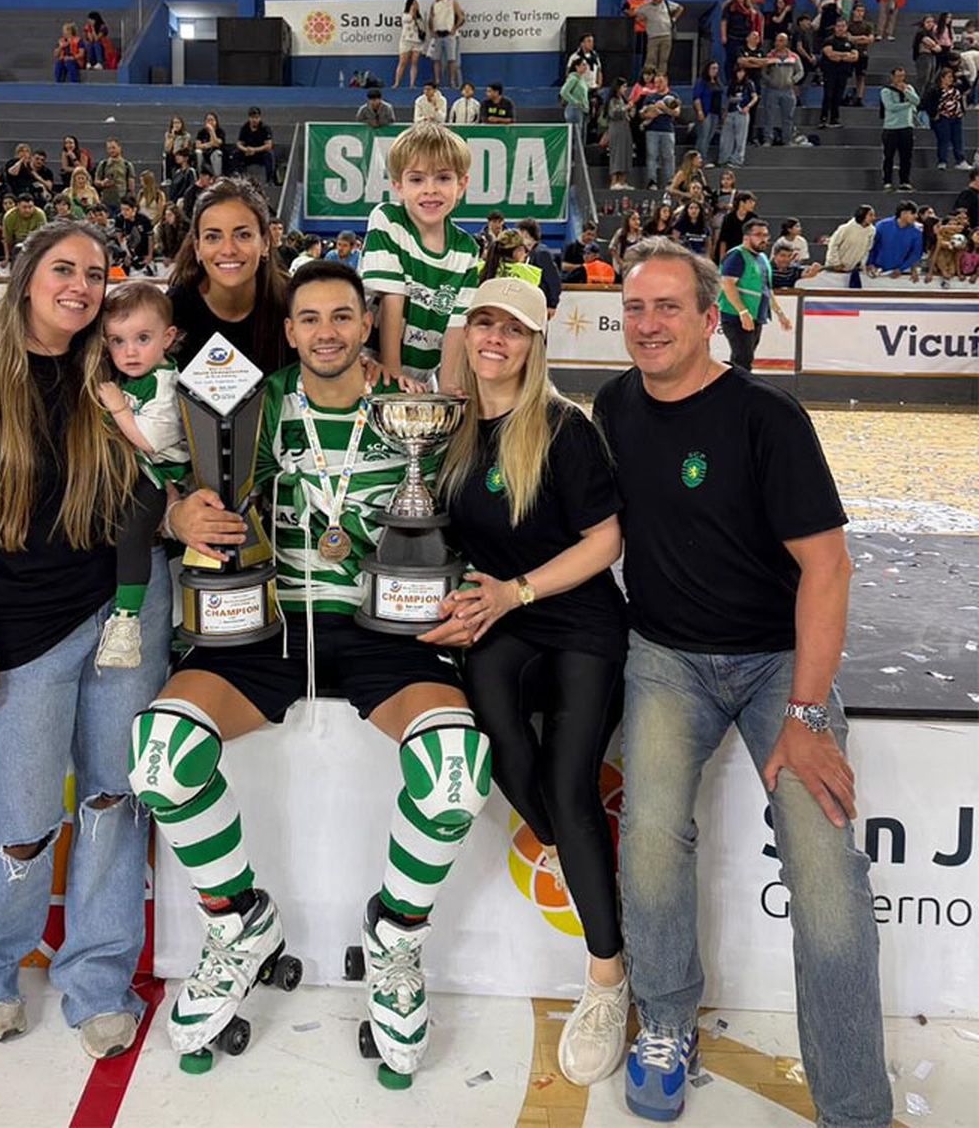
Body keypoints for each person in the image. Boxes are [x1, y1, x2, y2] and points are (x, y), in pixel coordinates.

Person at [133, 258, 492, 1084]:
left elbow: (468, 516)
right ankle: (238, 923)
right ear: (289, 330)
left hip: (382, 629)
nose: (326, 332)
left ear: (367, 324)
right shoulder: (252, 403)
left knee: (455, 771)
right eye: (309, 319)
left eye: (341, 316)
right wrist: (178, 512)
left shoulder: (415, 408)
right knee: (158, 756)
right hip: (268, 623)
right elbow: (171, 474)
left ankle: (395, 940)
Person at [594, 235, 889, 1128]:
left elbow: (828, 568)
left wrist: (805, 712)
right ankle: (666, 1023)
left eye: (667, 307)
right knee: (650, 837)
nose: (648, 325)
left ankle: (853, 1105)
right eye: (635, 309)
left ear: (708, 317)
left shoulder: (768, 419)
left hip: (777, 664)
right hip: (666, 658)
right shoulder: (613, 405)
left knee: (825, 872)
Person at [0, 220, 171, 1061]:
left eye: (96, 274)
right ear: (26, 276)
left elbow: (158, 476)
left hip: (125, 614)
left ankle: (98, 979)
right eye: (65, 268)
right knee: (23, 820)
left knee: (113, 802)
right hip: (22, 632)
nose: (81, 287)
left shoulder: (108, 374)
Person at [424, 276, 628, 1088]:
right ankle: (581, 858)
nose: (494, 339)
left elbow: (606, 541)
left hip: (576, 619)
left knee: (570, 784)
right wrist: (459, 600)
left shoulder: (564, 428)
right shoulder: (452, 429)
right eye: (483, 323)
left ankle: (607, 974)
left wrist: (516, 592)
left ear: (535, 343)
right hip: (502, 619)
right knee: (504, 746)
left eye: (511, 328)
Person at [93, 282, 190, 668]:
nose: (130, 351)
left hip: (160, 477)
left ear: (167, 338)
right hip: (129, 470)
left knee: (132, 531)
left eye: (142, 339)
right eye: (118, 341)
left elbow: (148, 442)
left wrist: (117, 408)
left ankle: (127, 621)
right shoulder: (134, 376)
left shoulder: (165, 383)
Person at [360, 122, 478, 386]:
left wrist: (448, 389)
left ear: (462, 184)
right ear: (398, 186)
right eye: (417, 179)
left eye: (443, 178)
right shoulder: (388, 219)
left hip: (422, 377)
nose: (430, 189)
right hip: (372, 369)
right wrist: (393, 376)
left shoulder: (467, 249)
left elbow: (456, 327)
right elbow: (392, 300)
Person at [166, 176, 289, 375]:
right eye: (213, 237)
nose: (228, 249)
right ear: (197, 247)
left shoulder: (293, 306)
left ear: (265, 243)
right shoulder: (172, 311)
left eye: (243, 235)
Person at [718, 217, 791, 372]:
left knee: (745, 358)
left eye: (765, 235)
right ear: (746, 237)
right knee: (742, 359)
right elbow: (727, 284)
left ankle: (735, 385)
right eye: (758, 235)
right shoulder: (737, 256)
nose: (764, 239)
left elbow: (766, 289)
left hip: (755, 315)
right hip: (736, 316)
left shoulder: (762, 258)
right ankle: (736, 387)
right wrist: (742, 312)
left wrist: (780, 314)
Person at [922, 68, 971, 171]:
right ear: (942, 78)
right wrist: (933, 114)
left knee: (958, 140)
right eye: (949, 77)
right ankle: (942, 161)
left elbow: (967, 86)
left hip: (956, 117)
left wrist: (962, 76)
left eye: (952, 77)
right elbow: (926, 103)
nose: (951, 79)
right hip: (943, 118)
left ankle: (960, 161)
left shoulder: (956, 88)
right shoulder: (935, 90)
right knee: (944, 140)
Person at [880, 67, 920, 191]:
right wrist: (908, 104)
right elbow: (891, 107)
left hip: (906, 127)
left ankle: (904, 181)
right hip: (891, 128)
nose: (900, 79)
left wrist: (906, 92)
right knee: (889, 156)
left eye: (902, 76)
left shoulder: (909, 88)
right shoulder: (886, 91)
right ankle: (887, 181)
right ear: (892, 77)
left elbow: (917, 101)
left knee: (906, 157)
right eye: (898, 76)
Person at [760, 33, 803, 146]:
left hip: (788, 90)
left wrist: (793, 80)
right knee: (769, 115)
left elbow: (800, 71)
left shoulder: (793, 57)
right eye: (776, 40)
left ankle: (787, 140)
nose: (777, 43)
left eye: (780, 41)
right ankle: (768, 139)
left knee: (788, 117)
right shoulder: (770, 56)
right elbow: (763, 72)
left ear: (786, 42)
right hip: (772, 90)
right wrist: (770, 80)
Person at [638, 73, 680, 190]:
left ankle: (670, 181)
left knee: (668, 156)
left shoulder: (673, 96)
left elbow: (676, 112)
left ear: (666, 81)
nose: (658, 85)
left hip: (667, 130)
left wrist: (663, 108)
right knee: (652, 156)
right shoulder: (650, 97)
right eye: (656, 82)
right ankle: (652, 181)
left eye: (660, 82)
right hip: (652, 130)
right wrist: (649, 114)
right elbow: (642, 114)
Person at [866, 200, 922, 282]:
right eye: (913, 213)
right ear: (903, 213)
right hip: (875, 271)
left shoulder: (917, 233)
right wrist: (870, 263)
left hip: (899, 274)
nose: (916, 216)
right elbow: (872, 246)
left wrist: (901, 269)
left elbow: (916, 254)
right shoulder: (882, 226)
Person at [820, 18, 859, 128]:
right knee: (828, 95)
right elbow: (830, 55)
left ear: (846, 28)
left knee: (838, 96)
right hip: (830, 72)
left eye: (843, 26)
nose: (840, 29)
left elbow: (855, 57)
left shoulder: (850, 42)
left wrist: (840, 56)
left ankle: (834, 119)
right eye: (838, 26)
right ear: (835, 28)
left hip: (843, 73)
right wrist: (845, 55)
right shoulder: (829, 40)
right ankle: (823, 118)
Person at [516, 219, 562, 312]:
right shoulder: (529, 253)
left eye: (519, 233)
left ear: (526, 234)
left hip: (540, 302)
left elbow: (553, 281)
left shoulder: (542, 253)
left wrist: (552, 304)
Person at [825, 203, 876, 287]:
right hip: (835, 268)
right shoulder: (845, 228)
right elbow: (833, 245)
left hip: (852, 270)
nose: (873, 218)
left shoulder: (871, 231)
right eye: (870, 215)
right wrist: (836, 263)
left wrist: (862, 264)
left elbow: (867, 248)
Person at [639, 0, 683, 75]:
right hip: (653, 37)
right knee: (651, 59)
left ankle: (660, 77)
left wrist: (673, 19)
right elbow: (637, 15)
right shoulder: (647, 6)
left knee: (663, 59)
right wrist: (643, 20)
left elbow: (680, 8)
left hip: (666, 35)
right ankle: (648, 77)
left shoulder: (667, 4)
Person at [429, 0, 465, 88]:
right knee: (436, 59)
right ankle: (437, 81)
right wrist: (432, 30)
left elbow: (461, 17)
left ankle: (452, 81)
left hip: (449, 34)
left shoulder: (452, 2)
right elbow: (431, 18)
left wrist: (454, 28)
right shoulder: (434, 4)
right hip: (438, 34)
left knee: (451, 59)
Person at [721, 66, 757, 168]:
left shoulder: (749, 83)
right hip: (731, 112)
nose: (740, 74)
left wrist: (748, 107)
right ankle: (724, 158)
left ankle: (737, 160)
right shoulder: (731, 83)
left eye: (742, 72)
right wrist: (725, 112)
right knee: (726, 137)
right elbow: (727, 98)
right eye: (738, 72)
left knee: (740, 137)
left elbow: (754, 97)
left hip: (742, 112)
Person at [691, 62, 722, 166]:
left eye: (716, 68)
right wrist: (700, 111)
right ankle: (700, 159)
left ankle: (702, 156)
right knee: (703, 136)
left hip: (715, 112)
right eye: (713, 68)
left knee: (709, 136)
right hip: (706, 111)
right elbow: (697, 97)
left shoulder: (718, 82)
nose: (715, 71)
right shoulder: (701, 82)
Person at [236, 107, 278, 185]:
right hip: (248, 154)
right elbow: (239, 143)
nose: (254, 120)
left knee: (269, 154)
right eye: (252, 118)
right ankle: (239, 179)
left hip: (260, 153)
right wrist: (245, 149)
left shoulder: (265, 128)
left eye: (256, 118)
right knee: (236, 154)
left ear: (260, 118)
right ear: (249, 118)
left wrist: (254, 150)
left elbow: (269, 145)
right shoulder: (245, 128)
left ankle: (270, 180)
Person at [114, 195, 155, 274]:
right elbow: (120, 238)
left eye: (127, 210)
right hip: (128, 252)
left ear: (134, 209)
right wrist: (126, 254)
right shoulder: (119, 219)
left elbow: (150, 238)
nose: (124, 212)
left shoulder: (144, 220)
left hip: (143, 252)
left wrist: (150, 255)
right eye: (122, 209)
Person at [3, 193, 48, 264]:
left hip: (35, 242)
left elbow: (44, 237)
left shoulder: (40, 214)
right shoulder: (9, 216)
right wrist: (7, 257)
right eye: (24, 207)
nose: (27, 210)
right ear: (18, 206)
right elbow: (7, 239)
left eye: (30, 207)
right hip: (17, 243)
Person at [605, 79, 633, 190]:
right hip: (616, 128)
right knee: (617, 153)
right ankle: (614, 181)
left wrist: (631, 109)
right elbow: (613, 113)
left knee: (625, 153)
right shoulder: (613, 100)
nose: (625, 89)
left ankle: (622, 181)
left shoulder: (623, 99)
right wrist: (626, 107)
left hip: (625, 128)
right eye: (623, 87)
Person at [846, 3, 876, 105]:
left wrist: (856, 39)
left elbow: (870, 39)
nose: (860, 13)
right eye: (858, 10)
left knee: (861, 76)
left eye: (862, 11)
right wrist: (862, 37)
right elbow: (848, 38)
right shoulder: (848, 24)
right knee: (846, 76)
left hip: (863, 53)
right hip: (849, 53)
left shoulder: (868, 25)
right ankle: (845, 95)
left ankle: (859, 98)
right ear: (853, 12)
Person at [715, 189, 756, 263]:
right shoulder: (729, 218)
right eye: (750, 202)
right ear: (742, 203)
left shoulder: (753, 218)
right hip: (731, 253)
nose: (753, 204)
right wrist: (722, 259)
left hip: (747, 254)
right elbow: (723, 240)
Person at [95, 137, 136, 210]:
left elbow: (131, 186)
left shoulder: (127, 165)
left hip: (122, 202)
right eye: (109, 148)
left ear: (119, 148)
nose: (111, 150)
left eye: (113, 148)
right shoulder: (103, 164)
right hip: (106, 201)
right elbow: (96, 181)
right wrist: (102, 183)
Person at [394, 0, 425, 89]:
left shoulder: (420, 18)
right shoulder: (405, 15)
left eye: (417, 4)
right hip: (406, 41)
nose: (416, 6)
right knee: (403, 62)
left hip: (417, 42)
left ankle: (412, 84)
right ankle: (397, 83)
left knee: (414, 62)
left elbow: (422, 29)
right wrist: (412, 11)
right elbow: (409, 19)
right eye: (414, 4)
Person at [560, 58, 590, 150]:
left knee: (581, 136)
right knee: (576, 135)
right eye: (583, 64)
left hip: (582, 110)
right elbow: (564, 92)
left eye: (586, 65)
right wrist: (575, 101)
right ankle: (573, 155)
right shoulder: (573, 78)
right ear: (577, 67)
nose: (586, 67)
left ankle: (579, 155)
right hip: (574, 110)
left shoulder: (582, 79)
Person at [609, 209, 644, 279]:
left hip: (637, 267)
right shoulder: (620, 233)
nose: (637, 222)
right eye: (633, 219)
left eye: (638, 219)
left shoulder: (641, 234)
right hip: (623, 266)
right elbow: (612, 248)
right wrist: (621, 262)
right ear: (627, 221)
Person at [913, 15, 943, 95]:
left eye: (932, 22)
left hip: (932, 56)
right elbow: (931, 44)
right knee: (923, 79)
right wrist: (934, 46)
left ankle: (927, 97)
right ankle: (919, 97)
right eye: (928, 22)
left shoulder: (932, 34)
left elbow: (938, 48)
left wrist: (934, 46)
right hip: (923, 57)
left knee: (930, 79)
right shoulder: (921, 33)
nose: (930, 24)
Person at [623, 0, 649, 67]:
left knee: (645, 51)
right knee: (634, 52)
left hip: (645, 31)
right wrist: (633, 14)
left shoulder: (648, 2)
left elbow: (649, 14)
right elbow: (625, 11)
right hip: (633, 32)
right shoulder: (629, 1)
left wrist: (637, 14)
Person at [163, 116, 194, 184]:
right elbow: (167, 149)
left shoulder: (186, 135)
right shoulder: (168, 134)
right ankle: (168, 179)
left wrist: (177, 153)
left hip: (182, 154)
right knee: (167, 156)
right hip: (172, 155)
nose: (176, 125)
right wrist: (173, 137)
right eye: (174, 123)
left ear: (182, 124)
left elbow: (185, 148)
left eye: (178, 123)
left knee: (185, 156)